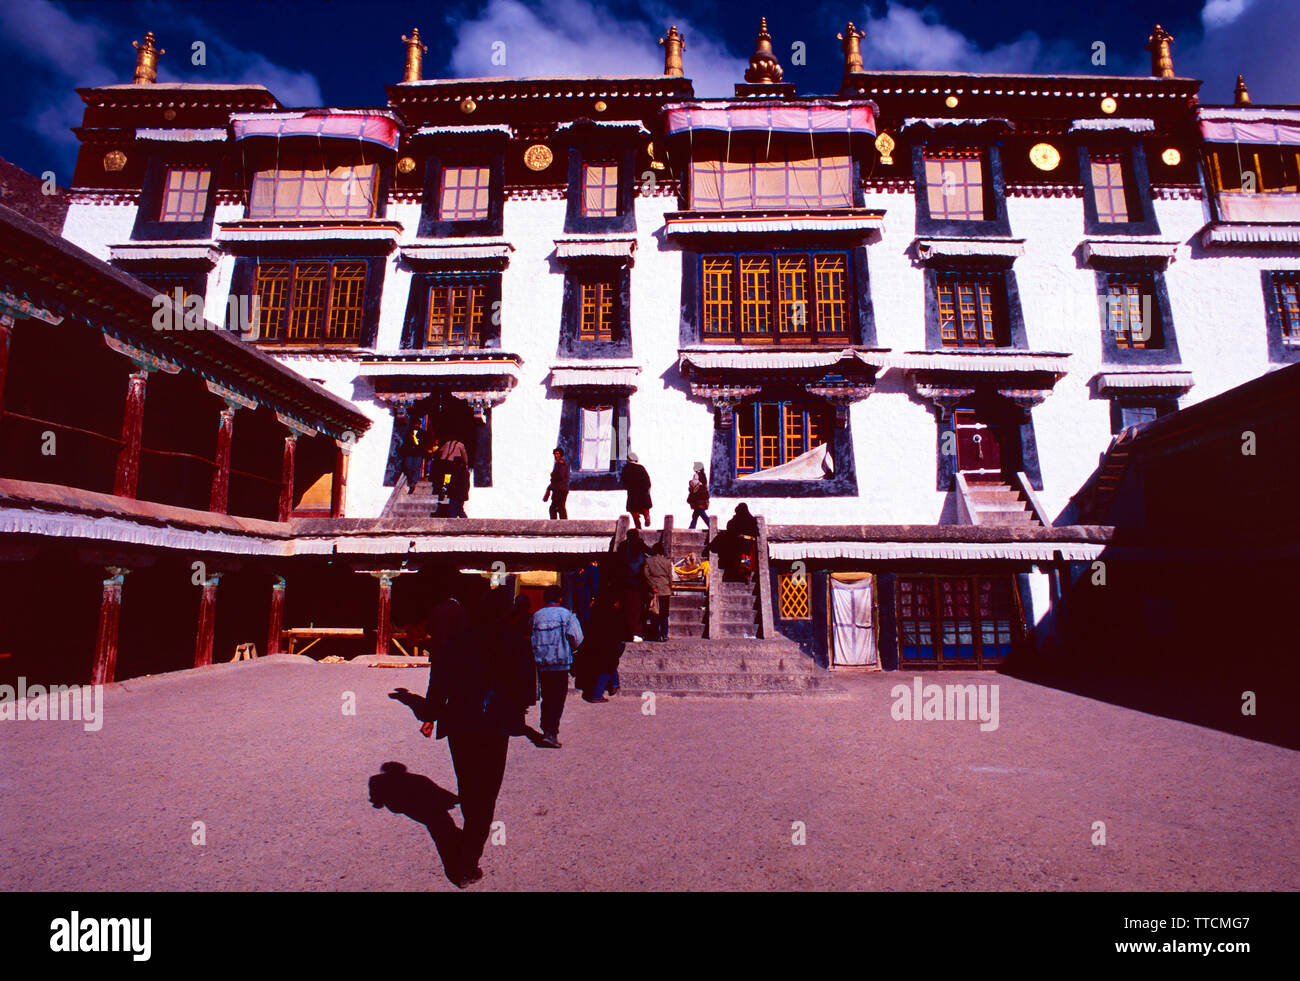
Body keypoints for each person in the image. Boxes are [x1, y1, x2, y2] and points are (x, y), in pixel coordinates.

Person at [419, 586, 533, 888]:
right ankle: (467, 861)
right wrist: (519, 708)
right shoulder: (513, 640)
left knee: (468, 784)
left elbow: (438, 678)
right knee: (487, 789)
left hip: (460, 723)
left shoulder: (457, 639)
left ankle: (469, 841)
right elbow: (526, 687)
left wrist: (430, 715)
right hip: (495, 723)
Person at [530, 585, 583, 748]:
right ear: (560, 598)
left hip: (542, 663)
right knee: (558, 699)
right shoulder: (566, 615)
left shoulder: (536, 616)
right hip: (560, 663)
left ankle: (546, 728)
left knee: (547, 697)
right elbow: (577, 638)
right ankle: (551, 731)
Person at [581, 592, 625, 701]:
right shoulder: (614, 614)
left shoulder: (596, 612)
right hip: (609, 645)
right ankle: (596, 695)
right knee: (607, 668)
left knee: (610, 664)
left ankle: (614, 684)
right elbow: (619, 632)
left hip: (597, 645)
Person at [616, 529, 647, 641]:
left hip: (624, 582)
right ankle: (636, 633)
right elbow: (650, 551)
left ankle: (626, 633)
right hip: (638, 582)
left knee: (625, 609)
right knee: (637, 610)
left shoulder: (623, 546)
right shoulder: (639, 544)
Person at [641, 540, 674, 642]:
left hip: (653, 591)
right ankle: (664, 634)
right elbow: (670, 577)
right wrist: (670, 588)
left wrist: (652, 586)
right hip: (665, 590)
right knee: (664, 614)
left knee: (654, 613)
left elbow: (646, 575)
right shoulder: (667, 562)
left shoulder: (648, 561)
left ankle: (655, 634)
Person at [720, 503, 759, 582]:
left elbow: (730, 527)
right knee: (745, 558)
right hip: (745, 544)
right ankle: (745, 573)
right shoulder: (750, 519)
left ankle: (744, 573)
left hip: (744, 545)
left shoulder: (739, 519)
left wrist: (741, 536)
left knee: (744, 558)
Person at [436, 434, 471, 518]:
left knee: (447, 477)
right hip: (453, 463)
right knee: (459, 509)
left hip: (446, 463)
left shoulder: (447, 443)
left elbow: (440, 451)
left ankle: (443, 488)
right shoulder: (460, 445)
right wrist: (466, 462)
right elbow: (464, 456)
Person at [620, 451, 652, 529]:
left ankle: (638, 525)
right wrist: (647, 489)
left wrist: (628, 487)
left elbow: (624, 481)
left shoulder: (626, 469)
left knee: (633, 510)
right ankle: (646, 515)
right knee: (644, 507)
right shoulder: (641, 468)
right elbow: (648, 481)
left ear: (628, 459)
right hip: (643, 493)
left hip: (633, 493)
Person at [399, 419, 428, 493]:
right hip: (409, 453)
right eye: (415, 424)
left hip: (418, 453)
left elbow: (425, 443)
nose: (416, 426)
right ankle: (410, 479)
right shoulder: (409, 433)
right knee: (408, 466)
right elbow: (405, 443)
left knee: (416, 468)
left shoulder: (423, 433)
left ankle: (413, 483)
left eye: (418, 424)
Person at [544, 447, 570, 520]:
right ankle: (562, 524)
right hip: (561, 489)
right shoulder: (562, 464)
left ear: (561, 454)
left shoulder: (560, 464)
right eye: (555, 454)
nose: (556, 455)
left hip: (560, 489)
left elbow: (560, 477)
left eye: (558, 454)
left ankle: (559, 525)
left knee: (556, 508)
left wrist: (553, 475)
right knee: (558, 507)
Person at [687, 461, 710, 530]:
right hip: (702, 497)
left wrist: (690, 483)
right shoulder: (703, 474)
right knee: (696, 514)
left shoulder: (697, 475)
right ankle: (692, 526)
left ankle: (710, 524)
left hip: (698, 498)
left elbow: (694, 484)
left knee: (701, 512)